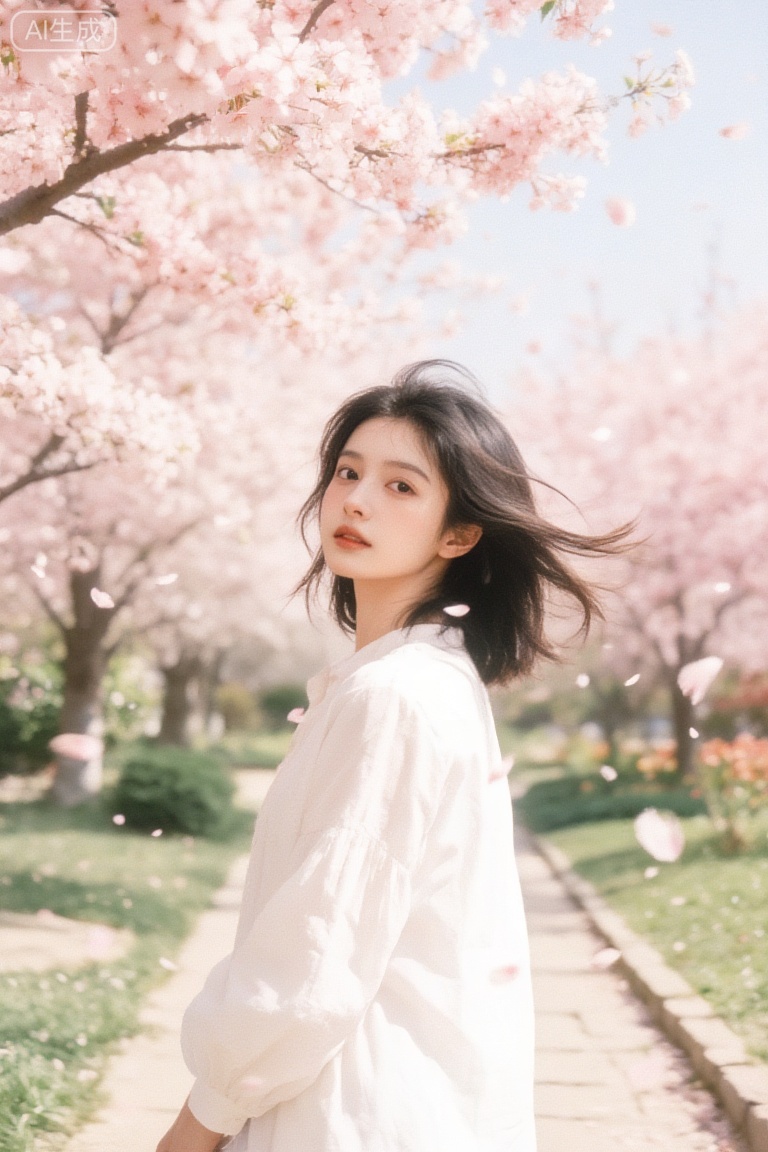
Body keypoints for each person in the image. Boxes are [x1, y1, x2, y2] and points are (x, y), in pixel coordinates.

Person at [157, 360, 633, 1152]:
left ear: (461, 532)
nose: (355, 499)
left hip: (350, 1112)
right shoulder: (415, 682)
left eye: (401, 486)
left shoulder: (397, 697)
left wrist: (192, 1129)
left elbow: (313, 962)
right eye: (348, 471)